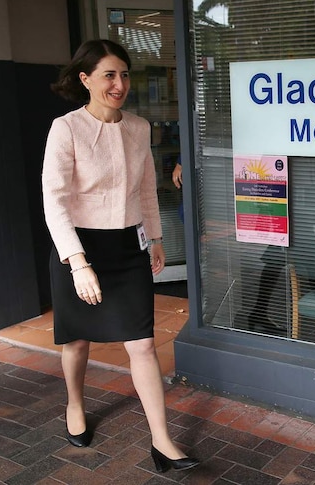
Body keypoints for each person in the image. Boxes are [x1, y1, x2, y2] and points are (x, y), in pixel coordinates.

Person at [43, 39, 199, 473]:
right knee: (76, 338)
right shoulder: (66, 128)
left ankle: (162, 441)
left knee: (144, 343)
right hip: (78, 247)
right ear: (86, 79)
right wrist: (77, 262)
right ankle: (75, 404)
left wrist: (157, 238)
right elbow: (53, 201)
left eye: (124, 74)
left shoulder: (139, 127)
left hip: (128, 245)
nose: (119, 84)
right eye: (109, 75)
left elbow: (146, 189)